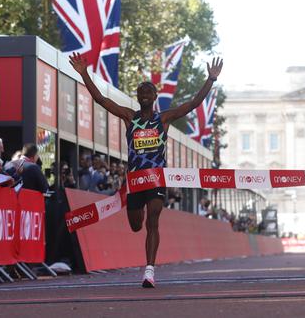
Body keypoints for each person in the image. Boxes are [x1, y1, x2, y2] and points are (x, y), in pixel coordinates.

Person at [69, 52, 223, 288]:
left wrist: (210, 80)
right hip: (134, 182)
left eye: (147, 92)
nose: (143, 95)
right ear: (138, 97)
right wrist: (84, 74)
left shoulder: (163, 119)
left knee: (153, 220)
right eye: (140, 92)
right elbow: (100, 99)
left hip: (157, 180)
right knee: (135, 225)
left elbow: (192, 104)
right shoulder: (129, 118)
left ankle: (149, 270)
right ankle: (145, 251)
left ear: (154, 96)